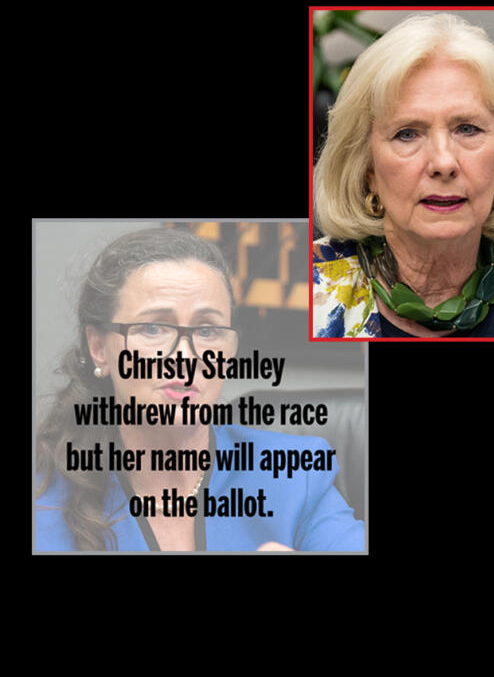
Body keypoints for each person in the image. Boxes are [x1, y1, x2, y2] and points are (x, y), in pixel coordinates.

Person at [35, 228, 364, 551]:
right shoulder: (44, 506)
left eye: (207, 330)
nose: (184, 357)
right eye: (153, 328)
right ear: (98, 348)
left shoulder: (298, 473)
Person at [312, 12, 494, 338]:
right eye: (407, 134)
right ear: (367, 170)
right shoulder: (301, 298)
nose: (444, 162)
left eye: (467, 129)